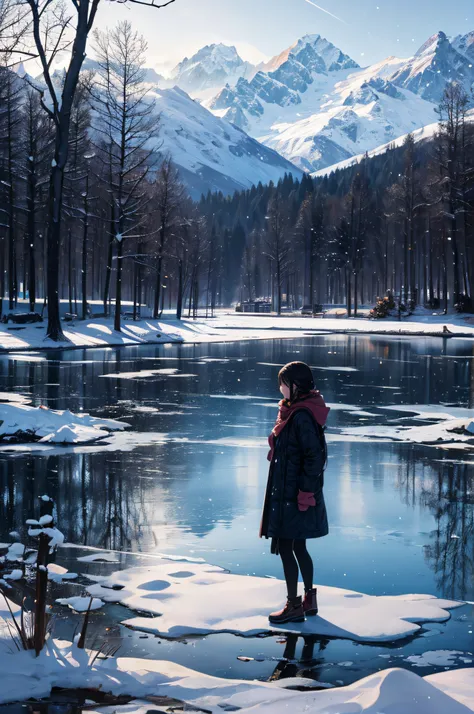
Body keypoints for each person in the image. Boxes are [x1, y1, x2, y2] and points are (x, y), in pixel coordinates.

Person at [260, 361, 330, 624]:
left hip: (295, 495)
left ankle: (293, 606)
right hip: (293, 490)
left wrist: (305, 492)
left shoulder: (301, 416)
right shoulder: (295, 412)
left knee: (288, 547)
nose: (279, 387)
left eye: (283, 383)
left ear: (296, 386)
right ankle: (309, 601)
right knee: (298, 546)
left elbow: (314, 457)